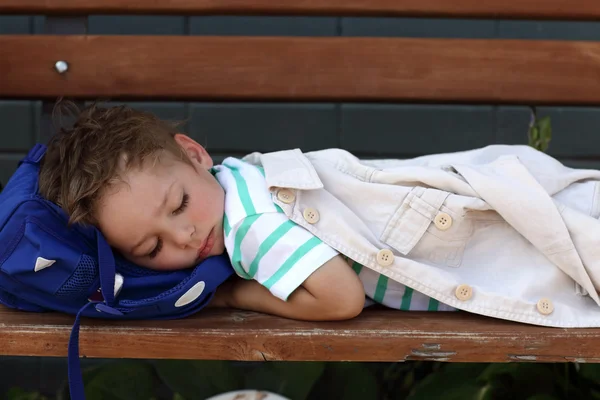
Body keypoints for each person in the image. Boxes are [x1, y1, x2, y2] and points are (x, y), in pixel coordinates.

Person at [39, 101, 600, 328]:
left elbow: (340, 298)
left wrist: (233, 295)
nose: (186, 236)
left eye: (179, 205)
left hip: (484, 244)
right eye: (153, 249)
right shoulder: (237, 177)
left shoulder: (248, 229)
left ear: (195, 155)